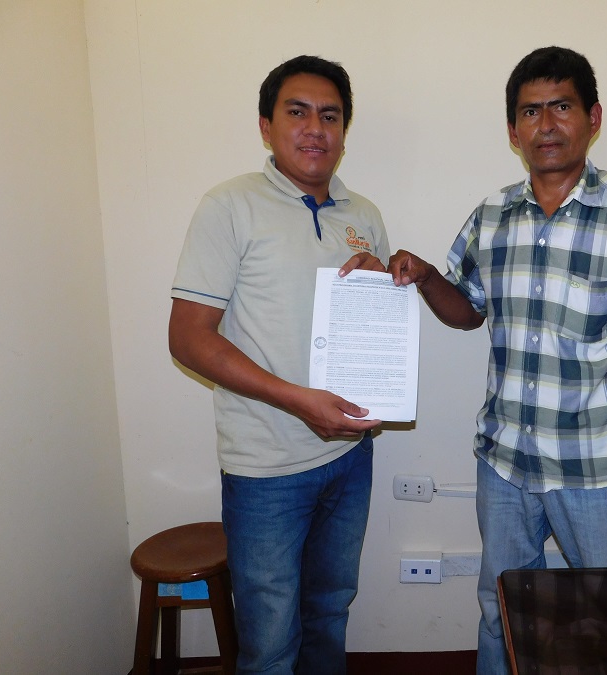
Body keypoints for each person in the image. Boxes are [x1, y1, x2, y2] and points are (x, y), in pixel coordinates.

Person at [379, 46, 607, 674]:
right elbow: (467, 311)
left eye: (562, 107)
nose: (546, 124)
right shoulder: (492, 215)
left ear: (593, 117)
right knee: (500, 613)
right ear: (513, 130)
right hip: (505, 464)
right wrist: (424, 277)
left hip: (601, 471)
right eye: (531, 111)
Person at [169, 55, 390, 674]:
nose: (316, 128)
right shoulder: (228, 205)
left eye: (331, 115)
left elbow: (373, 332)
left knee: (330, 610)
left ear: (344, 129)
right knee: (269, 642)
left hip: (350, 456)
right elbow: (188, 338)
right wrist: (297, 400)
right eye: (298, 112)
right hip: (265, 468)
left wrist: (384, 286)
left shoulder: (364, 215)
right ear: (266, 126)